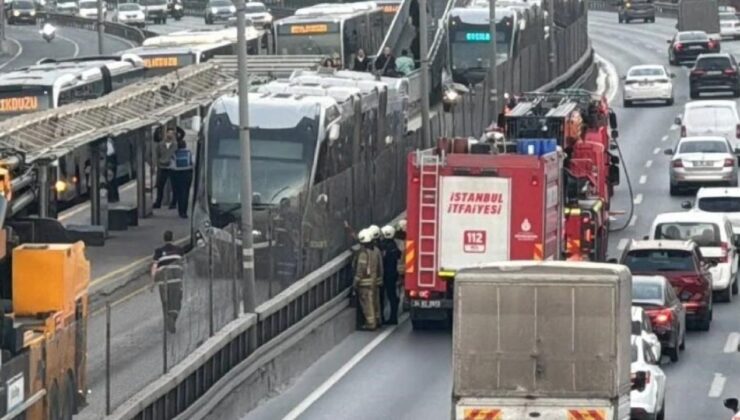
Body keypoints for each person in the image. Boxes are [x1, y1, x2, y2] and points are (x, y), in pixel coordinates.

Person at [151, 231, 184, 333]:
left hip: (163, 280)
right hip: (176, 279)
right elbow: (183, 264)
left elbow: (155, 267)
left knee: (165, 301)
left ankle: (167, 319)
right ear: (172, 238)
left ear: (164, 239)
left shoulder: (159, 251)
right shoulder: (179, 250)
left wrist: (153, 282)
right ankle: (173, 318)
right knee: (176, 300)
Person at [353, 229, 383, 331]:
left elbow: (360, 270)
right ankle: (377, 320)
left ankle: (370, 324)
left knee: (367, 304)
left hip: (365, 284)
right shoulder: (375, 250)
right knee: (375, 302)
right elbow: (380, 266)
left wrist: (355, 283)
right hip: (374, 282)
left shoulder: (363, 254)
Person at [379, 225, 401, 324]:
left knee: (382, 296)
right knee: (392, 296)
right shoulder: (394, 246)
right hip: (393, 274)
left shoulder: (384, 246)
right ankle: (393, 317)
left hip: (385, 275)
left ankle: (382, 317)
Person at [154, 127, 178, 209]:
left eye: (172, 133)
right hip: (162, 167)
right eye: (169, 133)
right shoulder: (160, 144)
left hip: (172, 167)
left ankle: (174, 203)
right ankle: (158, 202)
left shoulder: (175, 145)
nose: (170, 135)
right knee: (160, 186)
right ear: (166, 133)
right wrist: (158, 163)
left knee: (174, 186)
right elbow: (157, 155)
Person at [170, 137, 193, 218]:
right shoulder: (189, 153)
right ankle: (184, 212)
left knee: (180, 194)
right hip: (187, 174)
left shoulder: (174, 154)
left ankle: (180, 211)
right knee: (186, 194)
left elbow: (172, 166)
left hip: (177, 174)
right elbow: (193, 163)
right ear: (185, 145)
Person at [106, 137, 119, 203]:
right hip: (112, 161)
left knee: (110, 181)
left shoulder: (108, 142)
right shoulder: (110, 141)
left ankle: (112, 197)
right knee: (113, 180)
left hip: (110, 162)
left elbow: (109, 152)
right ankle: (115, 197)